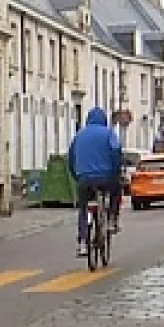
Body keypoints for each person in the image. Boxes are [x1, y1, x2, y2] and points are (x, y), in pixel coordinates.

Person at [67, 107, 124, 257]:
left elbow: (71, 159)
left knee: (84, 208)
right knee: (116, 191)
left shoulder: (79, 136)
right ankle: (112, 219)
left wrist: (76, 176)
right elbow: (116, 152)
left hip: (84, 179)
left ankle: (82, 243)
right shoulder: (109, 134)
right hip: (106, 177)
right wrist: (117, 172)